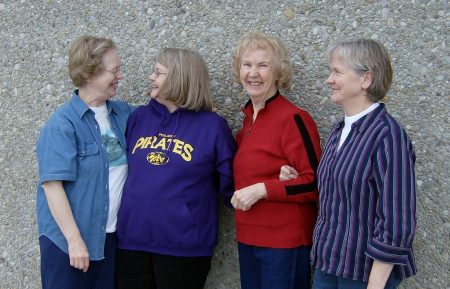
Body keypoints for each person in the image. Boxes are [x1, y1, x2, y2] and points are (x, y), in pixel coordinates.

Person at [280, 39, 417, 289]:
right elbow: (344, 191)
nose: (328, 80)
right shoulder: (340, 129)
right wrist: (296, 177)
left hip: (362, 276)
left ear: (366, 79)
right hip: (328, 266)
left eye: (337, 72)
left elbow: (397, 223)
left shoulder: (388, 136)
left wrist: (375, 286)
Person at [116, 48, 236, 289]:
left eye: (158, 72)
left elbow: (231, 184)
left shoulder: (212, 126)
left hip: (183, 245)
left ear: (179, 77)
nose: (151, 77)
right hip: (132, 240)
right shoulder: (139, 118)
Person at [36, 35, 133, 289]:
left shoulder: (124, 114)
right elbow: (52, 186)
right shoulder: (62, 125)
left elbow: (163, 119)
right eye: (114, 70)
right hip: (69, 245)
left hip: (109, 240)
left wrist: (198, 109)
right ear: (89, 74)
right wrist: (74, 240)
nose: (119, 76)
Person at [230, 31, 322, 289]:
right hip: (248, 238)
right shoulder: (248, 119)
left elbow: (314, 182)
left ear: (278, 72)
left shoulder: (293, 118)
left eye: (263, 65)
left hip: (284, 243)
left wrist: (263, 189)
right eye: (247, 65)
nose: (253, 73)